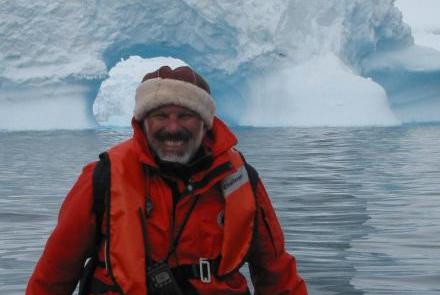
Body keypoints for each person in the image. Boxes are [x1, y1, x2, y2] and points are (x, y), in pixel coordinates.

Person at [26, 66, 308, 295]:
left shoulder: (241, 180)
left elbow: (277, 275)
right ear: (143, 121)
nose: (172, 128)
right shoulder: (103, 178)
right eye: (161, 115)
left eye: (185, 115)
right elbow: (54, 275)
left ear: (205, 122)